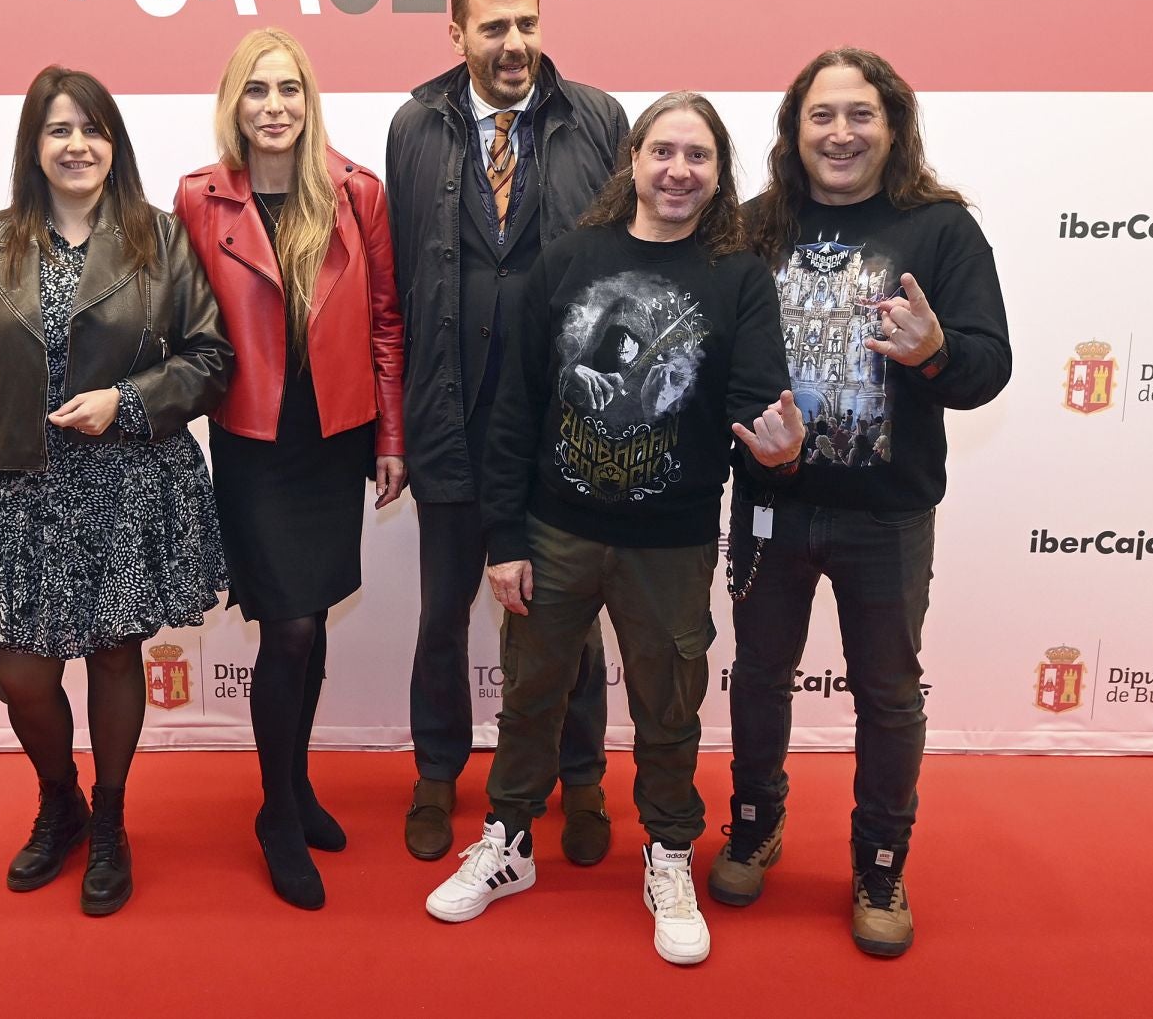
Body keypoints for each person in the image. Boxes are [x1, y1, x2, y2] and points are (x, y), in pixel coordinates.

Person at [423, 92, 803, 967]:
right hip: (554, 529)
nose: (678, 171)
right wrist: (504, 538)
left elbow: (756, 403)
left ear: (718, 173)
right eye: (663, 151)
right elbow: (516, 406)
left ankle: (669, 851)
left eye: (698, 157)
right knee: (530, 698)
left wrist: (780, 447)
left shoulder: (737, 276)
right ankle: (507, 843)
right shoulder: (569, 263)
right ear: (632, 160)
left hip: (671, 540)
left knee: (668, 708)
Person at [712, 47, 1012, 957]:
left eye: (860, 115)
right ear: (794, 130)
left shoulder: (941, 230)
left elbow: (988, 367)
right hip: (772, 504)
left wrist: (932, 352)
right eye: (821, 116)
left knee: (887, 694)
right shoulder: (753, 227)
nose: (840, 133)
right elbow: (710, 355)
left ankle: (881, 860)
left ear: (892, 126)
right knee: (758, 676)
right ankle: (756, 820)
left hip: (887, 514)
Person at [0, 65, 231, 916]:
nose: (76, 145)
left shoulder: (159, 239)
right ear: (34, 146)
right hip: (18, 491)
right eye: (58, 130)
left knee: (112, 655)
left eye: (91, 129)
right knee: (24, 678)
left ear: (113, 143)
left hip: (125, 479)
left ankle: (110, 822)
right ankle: (59, 798)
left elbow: (210, 361)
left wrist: (127, 402)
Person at [385, 0, 629, 865]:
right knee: (441, 614)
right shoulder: (414, 126)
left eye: (526, 23)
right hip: (451, 413)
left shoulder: (599, 119)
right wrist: (399, 428)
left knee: (569, 614)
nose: (515, 43)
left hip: (566, 424)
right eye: (493, 28)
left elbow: (625, 276)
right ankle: (437, 777)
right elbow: (399, 286)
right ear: (456, 34)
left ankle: (586, 779)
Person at [174, 28, 406, 910]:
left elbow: (387, 320)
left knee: (307, 623)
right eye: (258, 91)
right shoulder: (199, 198)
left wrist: (391, 438)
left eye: (291, 90)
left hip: (334, 435)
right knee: (292, 628)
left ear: (310, 102)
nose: (275, 106)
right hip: (253, 440)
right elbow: (192, 329)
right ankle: (277, 811)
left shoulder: (355, 192)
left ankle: (296, 787)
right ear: (234, 103)